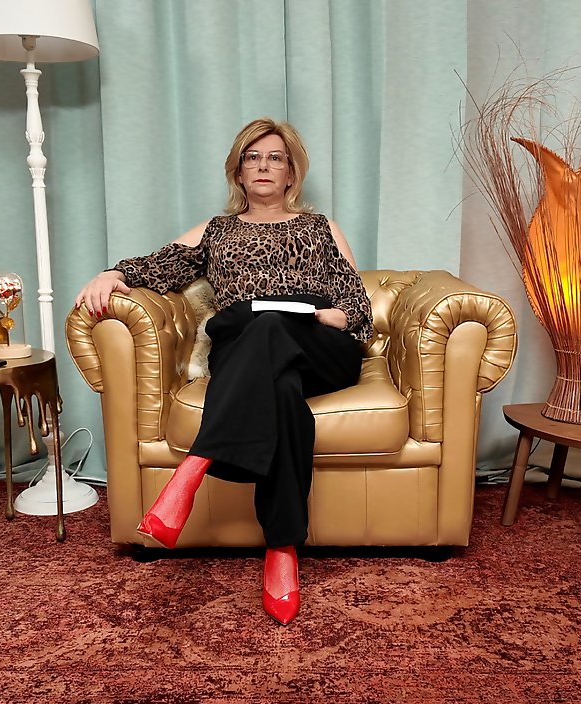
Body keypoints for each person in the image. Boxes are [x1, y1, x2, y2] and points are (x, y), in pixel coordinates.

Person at [74, 118, 373, 625]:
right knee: (278, 384)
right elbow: (156, 266)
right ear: (238, 171)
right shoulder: (216, 230)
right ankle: (282, 549)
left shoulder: (320, 227)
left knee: (270, 321)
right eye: (252, 157)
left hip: (318, 347)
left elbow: (357, 308)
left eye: (275, 158)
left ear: (291, 172)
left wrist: (325, 316)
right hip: (251, 354)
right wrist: (112, 273)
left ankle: (192, 470)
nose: (264, 166)